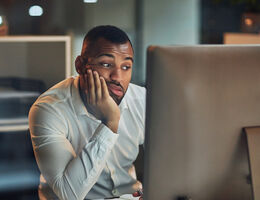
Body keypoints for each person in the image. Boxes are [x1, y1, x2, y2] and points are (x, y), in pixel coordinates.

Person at [29, 25, 145, 200]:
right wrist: (110, 122)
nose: (117, 77)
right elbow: (68, 194)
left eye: (126, 67)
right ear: (80, 66)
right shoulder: (49, 109)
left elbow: (171, 160)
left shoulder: (142, 99)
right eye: (106, 64)